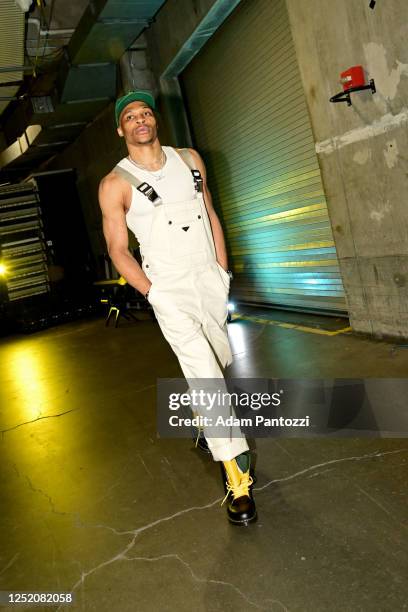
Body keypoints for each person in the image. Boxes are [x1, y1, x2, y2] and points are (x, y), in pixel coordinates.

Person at [98, 90, 257, 525]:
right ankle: (237, 477)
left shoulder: (190, 160)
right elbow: (118, 249)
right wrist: (153, 293)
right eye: (130, 116)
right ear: (121, 129)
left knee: (217, 360)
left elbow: (209, 211)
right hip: (167, 289)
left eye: (146, 112)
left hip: (208, 279)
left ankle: (205, 424)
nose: (140, 120)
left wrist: (222, 270)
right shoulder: (115, 184)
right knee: (205, 373)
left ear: (155, 121)